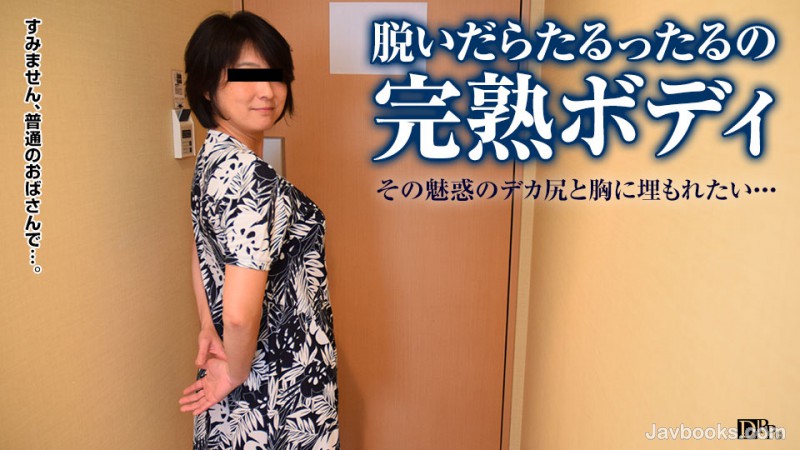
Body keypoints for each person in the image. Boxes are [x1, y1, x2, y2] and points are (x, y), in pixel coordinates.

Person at [178, 11, 339, 450]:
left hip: (239, 369)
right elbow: (238, 314)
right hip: (275, 386)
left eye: (276, 75)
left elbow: (201, 245)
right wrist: (233, 371)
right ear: (207, 86)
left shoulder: (214, 157)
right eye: (246, 76)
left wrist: (207, 325)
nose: (267, 90)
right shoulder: (250, 177)